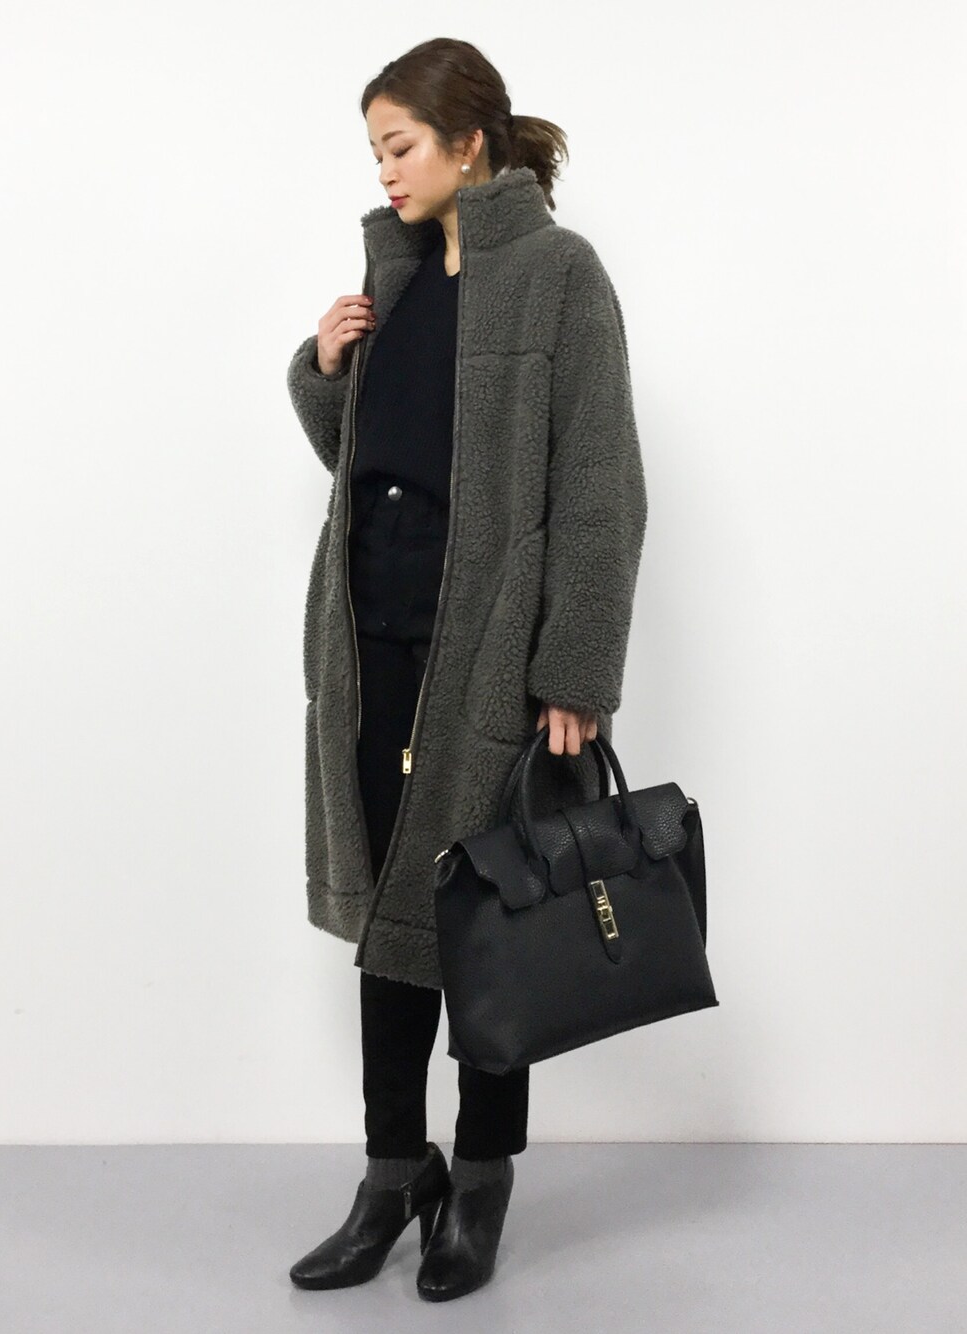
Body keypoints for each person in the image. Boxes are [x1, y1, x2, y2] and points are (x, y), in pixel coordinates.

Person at [286, 37, 647, 1302]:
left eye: (399, 145)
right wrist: (325, 369)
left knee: (490, 915)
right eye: (374, 151)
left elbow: (599, 488)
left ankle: (480, 1175)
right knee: (393, 914)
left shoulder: (558, 275)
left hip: (489, 653)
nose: (384, 171)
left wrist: (575, 669)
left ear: (468, 141)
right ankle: (395, 1169)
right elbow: (372, 459)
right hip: (374, 640)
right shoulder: (394, 277)